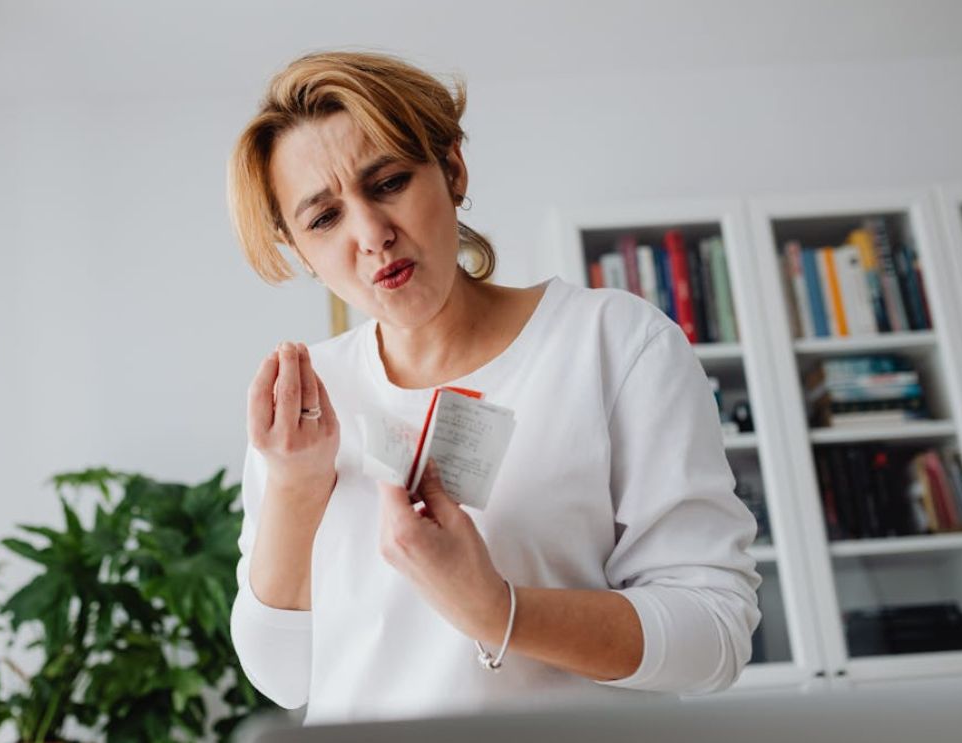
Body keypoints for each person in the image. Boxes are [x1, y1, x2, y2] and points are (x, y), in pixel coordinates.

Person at [225, 51, 761, 726]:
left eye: (387, 182)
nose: (370, 234)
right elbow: (282, 676)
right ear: (298, 248)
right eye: (323, 219)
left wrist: (496, 610)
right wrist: (297, 488)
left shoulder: (612, 344)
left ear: (451, 169)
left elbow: (713, 632)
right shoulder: (305, 403)